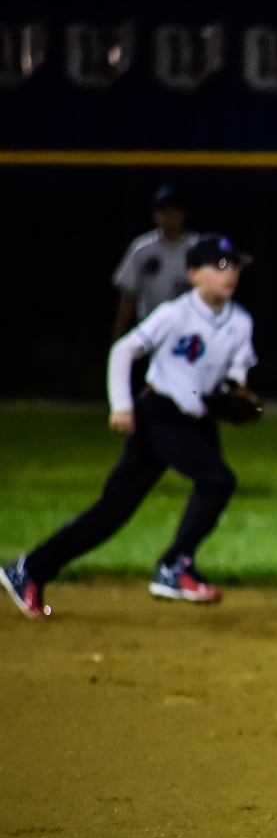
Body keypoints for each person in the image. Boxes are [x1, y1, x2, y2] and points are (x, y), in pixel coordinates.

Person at [2, 234, 258, 619]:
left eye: (234, 266)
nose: (230, 274)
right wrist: (121, 405)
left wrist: (235, 393)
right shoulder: (176, 314)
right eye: (220, 266)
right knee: (217, 481)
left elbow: (235, 374)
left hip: (196, 419)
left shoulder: (240, 322)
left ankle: (30, 568)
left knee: (114, 510)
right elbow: (124, 350)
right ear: (193, 274)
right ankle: (174, 566)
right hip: (159, 412)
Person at [112, 184, 200, 340]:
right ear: (155, 215)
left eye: (175, 209)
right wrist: (119, 335)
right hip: (152, 331)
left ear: (183, 213)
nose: (170, 214)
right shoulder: (142, 248)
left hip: (191, 331)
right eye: (164, 209)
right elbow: (128, 295)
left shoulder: (198, 246)